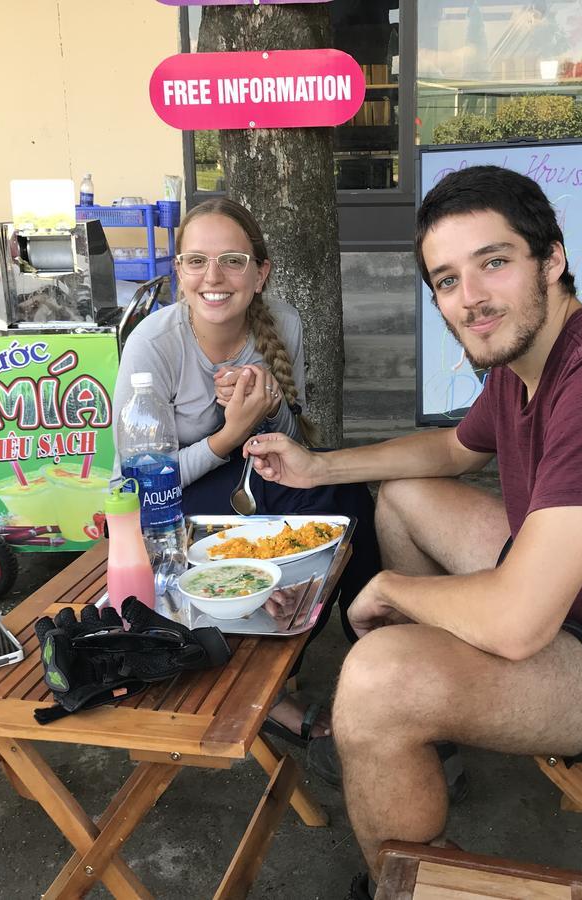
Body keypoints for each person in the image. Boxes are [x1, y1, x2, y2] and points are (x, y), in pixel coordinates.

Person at [243, 166, 582, 897]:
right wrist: (313, 467)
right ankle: (426, 731)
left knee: (373, 679)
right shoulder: (530, 360)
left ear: (551, 259)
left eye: (494, 262)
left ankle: (410, 850)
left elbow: (520, 625)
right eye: (448, 280)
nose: (472, 299)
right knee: (401, 498)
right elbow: (454, 450)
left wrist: (394, 591)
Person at [113, 198, 381, 747]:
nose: (214, 277)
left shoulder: (282, 322)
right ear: (178, 274)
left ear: (260, 274)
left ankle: (370, 652)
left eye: (232, 260)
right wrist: (228, 434)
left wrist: (266, 407)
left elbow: (291, 429)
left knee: (348, 498)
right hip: (174, 499)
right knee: (241, 537)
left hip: (259, 467)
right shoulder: (153, 346)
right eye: (196, 261)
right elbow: (139, 485)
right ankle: (269, 687)